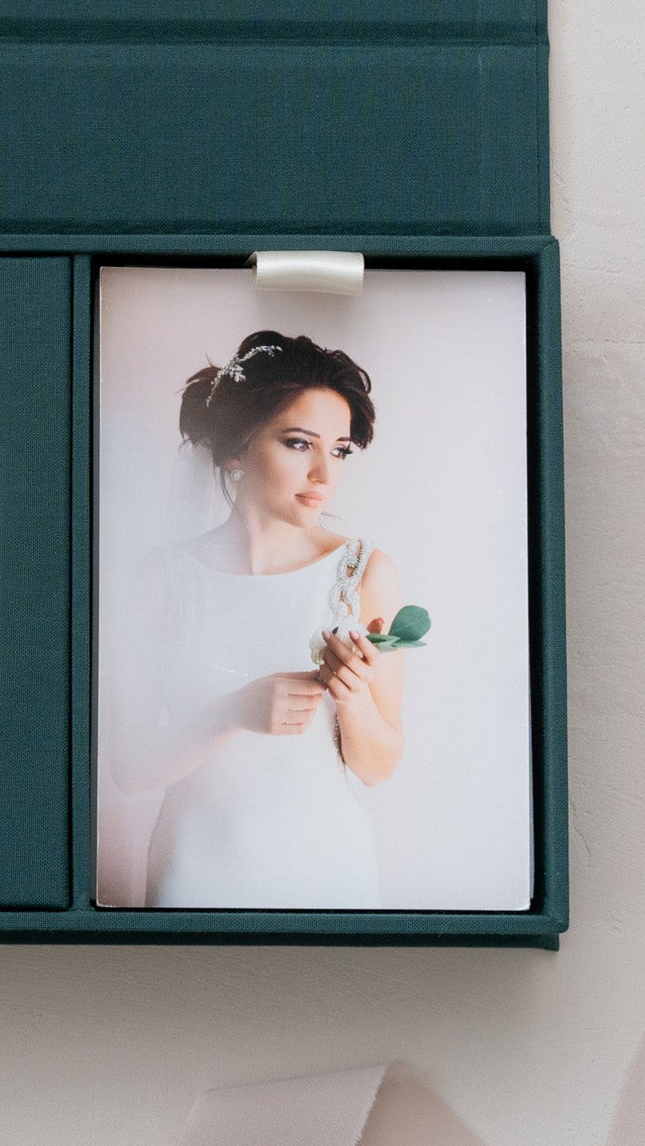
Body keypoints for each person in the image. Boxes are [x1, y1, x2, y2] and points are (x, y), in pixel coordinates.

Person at [111, 330, 405, 909]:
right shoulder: (161, 579)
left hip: (330, 873)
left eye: (340, 449)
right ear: (236, 448)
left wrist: (350, 696)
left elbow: (379, 769)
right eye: (300, 444)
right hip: (194, 870)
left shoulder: (364, 573)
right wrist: (234, 711)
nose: (326, 473)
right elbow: (130, 768)